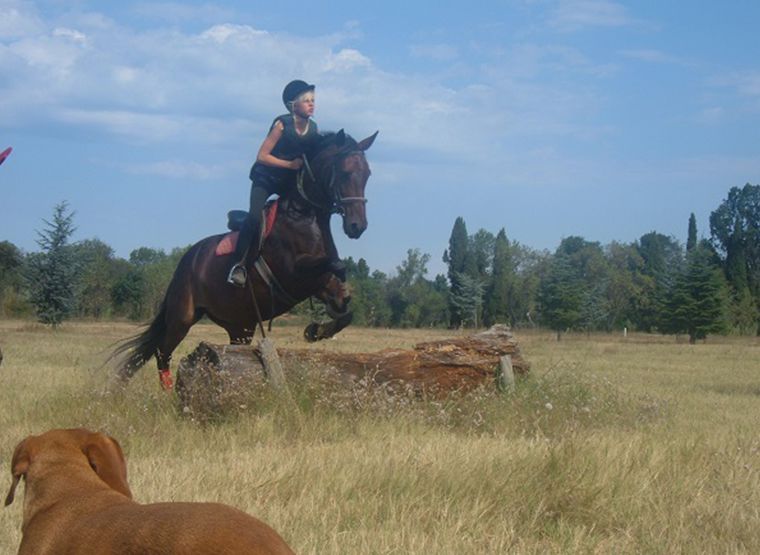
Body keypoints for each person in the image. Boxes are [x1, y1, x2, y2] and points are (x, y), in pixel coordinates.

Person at [227, 80, 320, 286]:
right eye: (307, 101)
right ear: (293, 105)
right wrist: (289, 165)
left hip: (287, 183)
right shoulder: (281, 124)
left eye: (313, 100)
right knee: (254, 216)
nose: (312, 104)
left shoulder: (313, 129)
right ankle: (239, 265)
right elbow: (262, 156)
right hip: (266, 179)